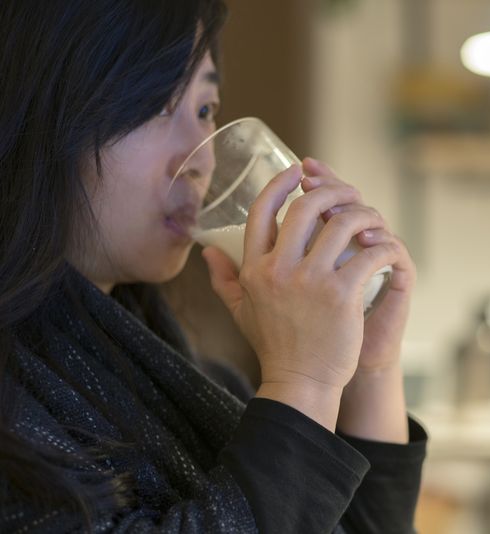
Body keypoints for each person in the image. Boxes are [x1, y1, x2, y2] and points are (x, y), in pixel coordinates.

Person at [0, 1, 426, 532]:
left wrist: (367, 368)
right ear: (37, 116)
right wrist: (305, 382)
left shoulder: (195, 379)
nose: (199, 159)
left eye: (204, 109)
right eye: (152, 106)